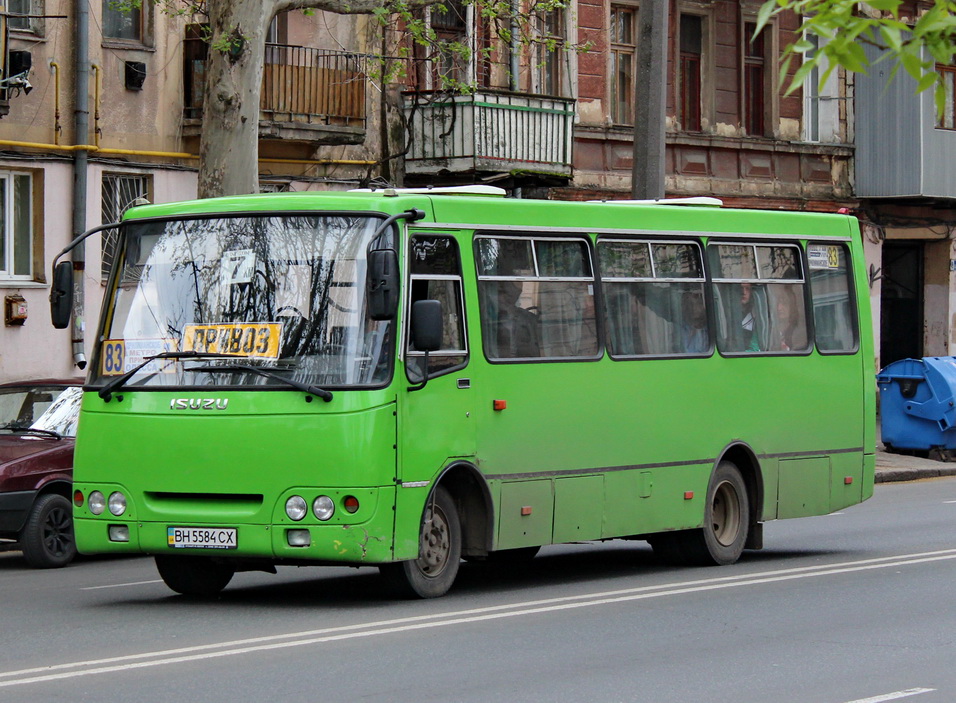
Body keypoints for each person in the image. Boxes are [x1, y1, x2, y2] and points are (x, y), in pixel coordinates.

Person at [494, 280, 540, 358]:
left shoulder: (529, 318)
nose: (503, 298)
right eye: (501, 293)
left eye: (507, 293)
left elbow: (536, 348)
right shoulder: (490, 319)